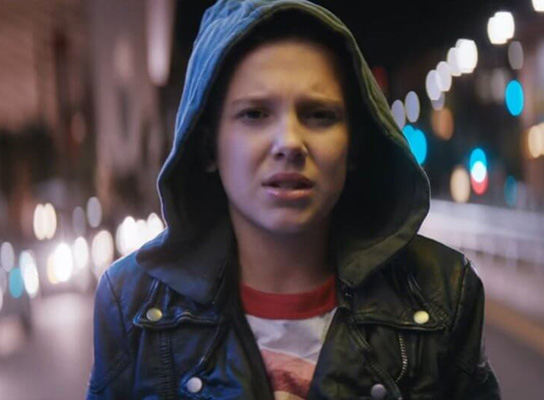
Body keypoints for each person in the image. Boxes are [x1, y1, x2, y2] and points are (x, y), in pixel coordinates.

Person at [86, 0, 501, 399]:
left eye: (319, 115)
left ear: (354, 145)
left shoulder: (444, 294)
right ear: (209, 143)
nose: (289, 142)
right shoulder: (133, 306)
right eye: (254, 114)